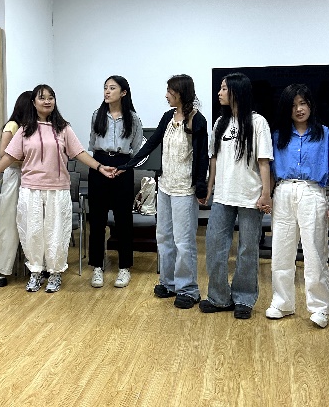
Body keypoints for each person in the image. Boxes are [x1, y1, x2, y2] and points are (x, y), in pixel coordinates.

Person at [0, 84, 115, 293]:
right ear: (33, 102)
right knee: (32, 233)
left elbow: (79, 152)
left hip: (57, 189)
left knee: (56, 233)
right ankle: (35, 272)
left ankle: (55, 273)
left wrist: (99, 167)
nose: (47, 101)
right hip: (30, 189)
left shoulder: (63, 128)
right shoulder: (25, 129)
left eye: (51, 97)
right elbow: (9, 156)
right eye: (42, 98)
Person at [116, 75, 208, 309]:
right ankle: (169, 283)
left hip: (184, 190)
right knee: (164, 237)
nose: (166, 95)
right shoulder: (168, 117)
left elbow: (201, 156)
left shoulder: (197, 120)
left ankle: (188, 289)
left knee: (183, 241)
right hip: (165, 186)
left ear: (180, 93)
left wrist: (201, 187)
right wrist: (128, 165)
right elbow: (150, 144)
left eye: (170, 91)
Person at [266, 84, 329, 328]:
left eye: (303, 103)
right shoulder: (278, 136)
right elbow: (270, 172)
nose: (299, 109)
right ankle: (282, 303)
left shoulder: (326, 135)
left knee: (315, 251)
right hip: (283, 191)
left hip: (312, 191)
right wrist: (266, 196)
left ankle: (320, 307)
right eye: (293, 105)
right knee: (281, 250)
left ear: (311, 105)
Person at [199, 72, 273, 320]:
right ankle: (219, 297)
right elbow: (214, 160)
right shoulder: (220, 123)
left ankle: (244, 298)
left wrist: (266, 194)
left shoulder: (258, 122)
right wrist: (209, 188)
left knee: (247, 249)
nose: (219, 93)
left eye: (223, 88)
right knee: (215, 246)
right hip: (222, 195)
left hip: (251, 196)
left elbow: (264, 161)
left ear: (236, 91)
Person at [88, 76, 143, 289]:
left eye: (112, 88)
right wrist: (101, 165)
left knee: (123, 220)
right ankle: (97, 267)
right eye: (105, 88)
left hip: (123, 167)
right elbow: (93, 143)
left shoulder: (133, 118)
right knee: (97, 219)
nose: (107, 92)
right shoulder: (97, 115)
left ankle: (124, 267)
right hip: (100, 165)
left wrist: (124, 166)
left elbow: (136, 148)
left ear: (123, 93)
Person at [0, 91, 32, 287]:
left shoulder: (31, 127)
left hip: (29, 177)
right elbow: (4, 153)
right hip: (14, 177)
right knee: (9, 224)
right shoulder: (12, 126)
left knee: (27, 225)